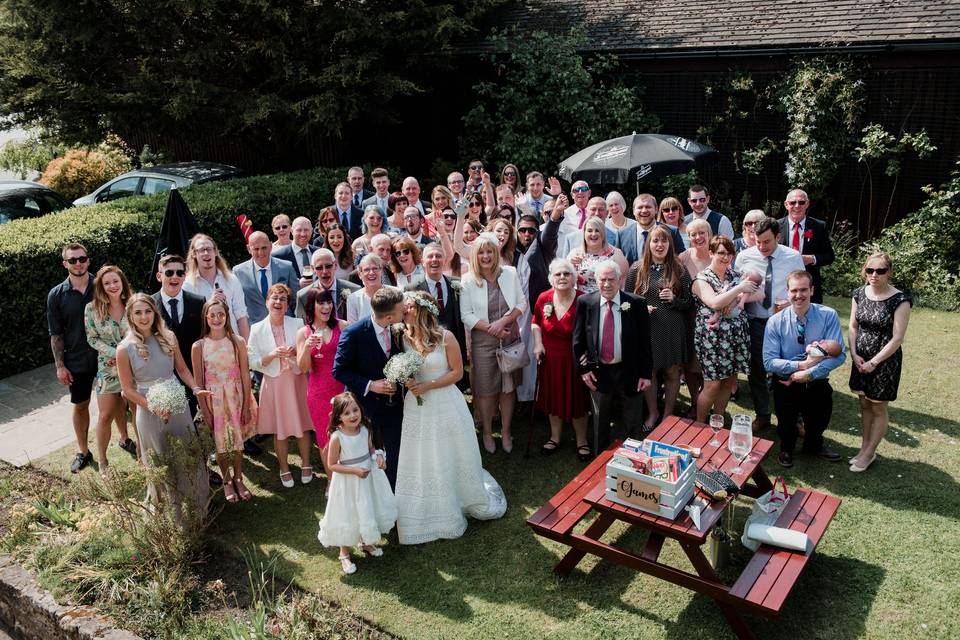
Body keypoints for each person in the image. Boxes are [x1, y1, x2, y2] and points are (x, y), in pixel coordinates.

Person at [394, 291, 507, 544]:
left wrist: (429, 385)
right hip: (416, 405)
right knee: (423, 454)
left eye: (408, 306)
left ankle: (458, 498)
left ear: (421, 310)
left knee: (448, 451)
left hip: (445, 402)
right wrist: (408, 379)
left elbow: (457, 374)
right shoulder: (403, 337)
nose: (404, 310)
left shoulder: (446, 337)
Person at [116, 294, 210, 523]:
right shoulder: (124, 349)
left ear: (154, 313)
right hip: (149, 410)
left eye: (147, 311)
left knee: (187, 451)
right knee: (160, 459)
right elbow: (127, 390)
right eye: (137, 313)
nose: (144, 317)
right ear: (130, 316)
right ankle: (169, 515)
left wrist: (196, 388)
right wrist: (153, 407)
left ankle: (196, 508)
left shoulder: (169, 337)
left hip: (178, 403)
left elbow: (182, 369)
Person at [763, 270, 846, 467]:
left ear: (812, 290)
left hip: (816, 380)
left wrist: (808, 373)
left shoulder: (828, 315)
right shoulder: (775, 321)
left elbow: (839, 355)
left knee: (820, 415)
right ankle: (786, 449)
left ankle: (814, 445)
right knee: (786, 420)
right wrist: (800, 366)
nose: (798, 295)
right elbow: (769, 361)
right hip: (785, 380)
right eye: (794, 290)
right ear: (787, 291)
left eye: (803, 290)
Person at [573, 261, 653, 455]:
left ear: (619, 280)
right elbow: (577, 340)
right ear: (596, 281)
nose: (607, 284)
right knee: (600, 418)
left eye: (611, 279)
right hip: (600, 371)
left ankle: (634, 459)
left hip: (630, 370)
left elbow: (645, 343)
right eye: (602, 279)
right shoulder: (586, 302)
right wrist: (584, 371)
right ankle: (600, 461)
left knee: (633, 418)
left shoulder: (636, 303)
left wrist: (645, 374)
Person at [332, 287, 407, 488]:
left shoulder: (399, 329)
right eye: (402, 310)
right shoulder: (354, 333)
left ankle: (393, 495)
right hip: (365, 408)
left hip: (394, 407)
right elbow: (339, 370)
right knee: (370, 457)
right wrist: (371, 385)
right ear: (390, 316)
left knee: (395, 454)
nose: (405, 312)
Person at [735, 217, 805, 431]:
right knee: (756, 370)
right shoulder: (744, 257)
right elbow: (737, 288)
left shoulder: (792, 257)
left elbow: (803, 287)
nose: (762, 247)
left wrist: (791, 303)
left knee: (790, 370)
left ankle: (796, 419)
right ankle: (763, 415)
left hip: (786, 323)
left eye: (767, 241)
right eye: (758, 242)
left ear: (778, 236)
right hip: (756, 322)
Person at [317, 392, 397, 575]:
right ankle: (344, 553)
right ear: (338, 417)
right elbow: (332, 464)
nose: (353, 415)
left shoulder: (365, 429)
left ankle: (365, 541)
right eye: (347, 413)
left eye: (355, 410)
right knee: (348, 512)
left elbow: (370, 449)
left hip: (367, 477)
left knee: (366, 507)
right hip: (348, 481)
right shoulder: (337, 437)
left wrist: (377, 458)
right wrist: (354, 471)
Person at [460, 234, 527, 453]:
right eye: (481, 252)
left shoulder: (509, 273)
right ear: (475, 256)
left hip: (508, 337)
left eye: (490, 251)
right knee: (486, 390)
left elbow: (521, 303)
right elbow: (466, 315)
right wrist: (491, 328)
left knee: (508, 389)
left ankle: (506, 431)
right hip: (483, 341)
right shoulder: (468, 280)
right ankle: (488, 433)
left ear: (496, 254)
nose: (486, 256)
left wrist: (503, 322)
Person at [847, 253, 912, 472]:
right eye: (870, 270)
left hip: (884, 361)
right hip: (861, 358)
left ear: (889, 272)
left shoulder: (900, 299)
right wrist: (854, 355)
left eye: (880, 271)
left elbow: (898, 338)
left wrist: (874, 362)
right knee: (864, 403)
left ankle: (868, 453)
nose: (874, 275)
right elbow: (853, 326)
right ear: (864, 271)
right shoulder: (858, 294)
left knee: (878, 406)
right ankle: (865, 448)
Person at [625, 226, 694, 429]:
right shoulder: (637, 269)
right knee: (650, 372)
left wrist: (674, 299)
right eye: (655, 241)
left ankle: (668, 416)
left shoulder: (678, 268)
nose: (660, 245)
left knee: (672, 373)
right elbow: (626, 301)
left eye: (664, 241)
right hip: (647, 330)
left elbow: (690, 301)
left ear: (669, 244)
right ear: (649, 244)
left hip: (673, 328)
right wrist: (640, 308)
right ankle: (653, 412)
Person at [247, 284, 314, 488]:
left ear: (287, 305)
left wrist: (296, 351)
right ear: (267, 302)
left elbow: (307, 352)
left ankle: (306, 463)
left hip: (296, 380)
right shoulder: (256, 329)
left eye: (283, 299)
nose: (278, 302)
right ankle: (284, 467)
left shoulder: (298, 323)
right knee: (280, 429)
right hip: (274, 383)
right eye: (274, 298)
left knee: (302, 425)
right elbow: (252, 360)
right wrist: (272, 355)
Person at [192, 299, 257, 503]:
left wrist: (246, 405)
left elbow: (246, 375)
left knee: (237, 441)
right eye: (212, 315)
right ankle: (227, 480)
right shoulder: (199, 346)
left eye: (221, 314)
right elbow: (198, 383)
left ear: (227, 316)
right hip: (214, 400)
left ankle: (238, 477)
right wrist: (206, 411)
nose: (217, 318)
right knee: (221, 444)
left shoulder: (236, 341)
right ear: (206, 317)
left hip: (236, 395)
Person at [691, 236, 757, 423]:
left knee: (729, 382)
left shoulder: (734, 275)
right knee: (712, 385)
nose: (726, 257)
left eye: (729, 253)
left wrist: (736, 299)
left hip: (736, 336)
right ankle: (701, 423)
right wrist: (739, 290)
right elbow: (713, 301)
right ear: (711, 253)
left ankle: (717, 421)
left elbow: (760, 292)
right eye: (721, 252)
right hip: (713, 339)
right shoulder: (701, 279)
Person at [48, 243, 98, 473]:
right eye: (73, 260)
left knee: (118, 400)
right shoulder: (56, 295)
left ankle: (125, 438)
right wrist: (60, 366)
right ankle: (83, 451)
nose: (79, 263)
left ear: (88, 260)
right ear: (65, 264)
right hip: (76, 359)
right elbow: (55, 334)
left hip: (106, 355)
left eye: (82, 259)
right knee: (81, 405)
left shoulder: (103, 285)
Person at [532, 259, 589, 460]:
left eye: (566, 274)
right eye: (558, 274)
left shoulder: (584, 300)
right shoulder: (543, 298)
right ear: (551, 278)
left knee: (577, 400)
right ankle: (555, 437)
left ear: (574, 278)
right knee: (553, 398)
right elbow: (536, 323)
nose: (562, 277)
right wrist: (538, 344)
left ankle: (582, 440)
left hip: (574, 361)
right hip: (550, 360)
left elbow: (591, 331)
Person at [83, 265, 137, 474]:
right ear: (101, 287)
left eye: (116, 281)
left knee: (136, 410)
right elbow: (91, 337)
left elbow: (143, 331)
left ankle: (142, 451)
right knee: (106, 414)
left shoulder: (133, 305)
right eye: (107, 283)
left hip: (133, 366)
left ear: (122, 282)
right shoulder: (91, 309)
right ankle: (103, 461)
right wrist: (116, 353)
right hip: (107, 368)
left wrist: (126, 353)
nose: (112, 286)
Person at [296, 288, 346, 484]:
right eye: (321, 303)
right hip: (318, 394)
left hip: (343, 390)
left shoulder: (343, 326)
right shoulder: (304, 332)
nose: (326, 307)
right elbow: (303, 368)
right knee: (325, 439)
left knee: (347, 434)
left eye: (328, 302)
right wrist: (307, 347)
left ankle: (348, 481)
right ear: (312, 306)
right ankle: (331, 483)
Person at [153, 254, 206, 415]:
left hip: (196, 371)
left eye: (179, 273)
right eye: (169, 273)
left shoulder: (199, 302)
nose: (174, 277)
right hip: (164, 375)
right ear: (159, 276)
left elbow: (205, 336)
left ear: (185, 276)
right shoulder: (149, 306)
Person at [406, 243, 467, 369]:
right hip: (428, 354)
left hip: (456, 349)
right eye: (430, 256)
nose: (434, 259)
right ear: (422, 261)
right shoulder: (412, 289)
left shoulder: (458, 284)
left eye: (438, 256)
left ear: (444, 260)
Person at [183, 234, 250, 339]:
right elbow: (190, 321)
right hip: (206, 346)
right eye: (201, 250)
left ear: (215, 252)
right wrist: (210, 303)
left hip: (233, 341)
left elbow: (241, 315)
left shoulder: (231, 279)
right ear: (194, 254)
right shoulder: (187, 285)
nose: (206, 253)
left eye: (209, 249)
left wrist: (246, 347)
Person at [777, 189, 835, 304]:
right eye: (793, 202)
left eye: (801, 202)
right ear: (786, 204)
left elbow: (829, 256)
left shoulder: (819, 226)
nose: (797, 206)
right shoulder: (776, 226)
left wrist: (812, 259)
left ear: (807, 204)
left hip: (809, 285)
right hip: (781, 284)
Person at [234, 231, 298, 325]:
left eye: (264, 247)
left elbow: (295, 299)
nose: (261, 252)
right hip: (254, 327)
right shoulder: (238, 272)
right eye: (256, 249)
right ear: (249, 249)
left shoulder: (286, 267)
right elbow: (237, 305)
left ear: (271, 246)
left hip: (285, 324)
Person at [295, 248, 360, 322]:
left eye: (328, 266)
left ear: (335, 265)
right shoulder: (303, 296)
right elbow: (301, 325)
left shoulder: (354, 291)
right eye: (319, 268)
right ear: (313, 269)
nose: (324, 271)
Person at [567, 217, 629, 294]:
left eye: (597, 230)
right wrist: (571, 267)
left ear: (603, 234)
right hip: (581, 302)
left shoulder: (616, 254)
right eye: (589, 231)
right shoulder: (575, 254)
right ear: (584, 233)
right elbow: (566, 281)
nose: (593, 234)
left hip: (607, 301)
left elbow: (623, 284)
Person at [273, 216, 322, 282]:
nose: (303, 234)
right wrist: (297, 285)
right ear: (292, 231)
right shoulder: (278, 257)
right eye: (299, 230)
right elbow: (277, 285)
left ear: (311, 231)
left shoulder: (319, 252)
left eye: (306, 230)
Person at [604, 191, 637, 259]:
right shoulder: (604, 226)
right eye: (611, 205)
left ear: (622, 205)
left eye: (616, 204)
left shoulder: (634, 224)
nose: (614, 207)